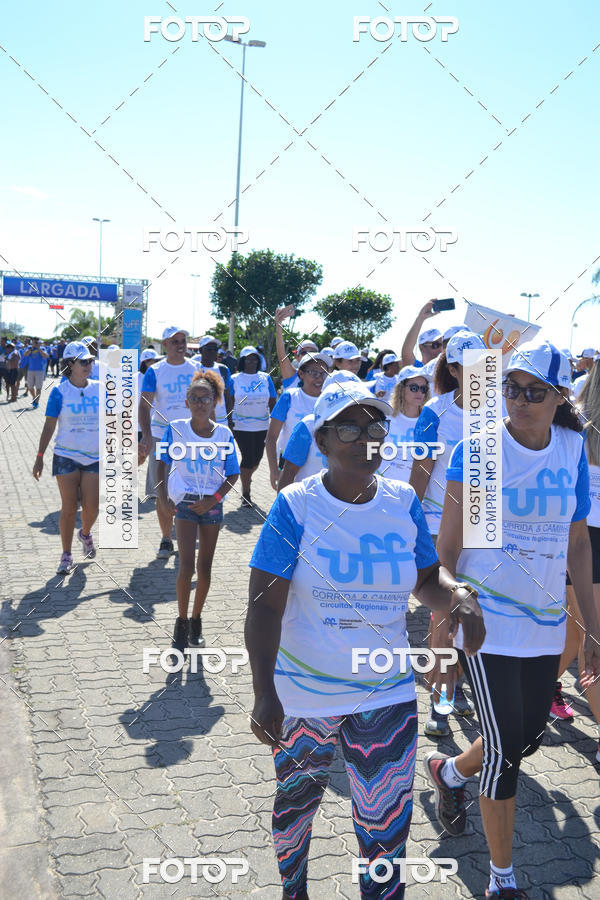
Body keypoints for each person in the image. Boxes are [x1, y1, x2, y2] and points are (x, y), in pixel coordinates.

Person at [245, 380, 485, 900]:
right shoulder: (295, 506)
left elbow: (425, 580)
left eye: (375, 426)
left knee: (386, 825)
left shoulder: (401, 502)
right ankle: (294, 891)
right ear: (324, 440)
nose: (365, 438)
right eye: (349, 428)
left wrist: (459, 595)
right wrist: (265, 691)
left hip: (387, 693)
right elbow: (264, 605)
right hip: (306, 694)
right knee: (296, 806)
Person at [426, 340, 600, 899]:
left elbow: (577, 541)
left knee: (523, 737)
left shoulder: (571, 448)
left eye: (535, 392)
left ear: (558, 398)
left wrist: (591, 625)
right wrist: (441, 631)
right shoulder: (480, 449)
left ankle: (449, 773)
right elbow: (448, 550)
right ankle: (503, 878)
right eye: (512, 388)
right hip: (486, 618)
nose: (519, 401)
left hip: (546, 620)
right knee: (505, 752)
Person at [410, 329, 486, 735]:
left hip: (486, 527)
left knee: (470, 610)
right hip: (442, 528)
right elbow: (420, 474)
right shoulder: (434, 413)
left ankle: (452, 682)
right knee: (444, 612)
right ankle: (441, 703)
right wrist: (409, 521)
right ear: (452, 369)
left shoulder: (500, 412)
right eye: (465, 366)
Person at [156, 370, 240, 651]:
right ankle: (180, 622)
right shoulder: (176, 428)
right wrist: (163, 496)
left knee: (205, 567)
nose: (200, 403)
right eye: (194, 398)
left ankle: (196, 620)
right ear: (187, 401)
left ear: (216, 401)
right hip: (185, 503)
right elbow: (161, 461)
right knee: (186, 566)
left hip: (212, 505)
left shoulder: (224, 434)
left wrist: (215, 498)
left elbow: (233, 474)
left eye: (206, 398)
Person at [550, 357, 600, 754]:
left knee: (576, 632)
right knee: (588, 634)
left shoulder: (574, 419)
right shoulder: (575, 423)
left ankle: (538, 692)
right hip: (584, 537)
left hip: (580, 534)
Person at [32, 341, 100, 574]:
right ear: (70, 364)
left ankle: (85, 534)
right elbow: (49, 425)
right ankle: (66, 554)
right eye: (83, 361)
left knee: (92, 508)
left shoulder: (100, 388)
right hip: (65, 455)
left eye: (91, 360)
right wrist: (40, 456)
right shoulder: (59, 392)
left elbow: (113, 422)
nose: (89, 365)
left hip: (94, 456)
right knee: (69, 507)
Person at [139, 327, 200, 559]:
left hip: (192, 437)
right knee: (162, 491)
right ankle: (166, 538)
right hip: (162, 435)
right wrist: (145, 434)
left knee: (192, 488)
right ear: (165, 344)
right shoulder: (155, 371)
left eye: (183, 340)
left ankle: (187, 534)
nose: (180, 345)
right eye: (175, 341)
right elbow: (144, 406)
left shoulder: (196, 369)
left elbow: (208, 401)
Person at [265, 353, 331, 490]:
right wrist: (274, 471)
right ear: (301, 373)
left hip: (321, 465)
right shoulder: (289, 397)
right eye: (313, 372)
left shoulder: (330, 400)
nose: (319, 377)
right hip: (288, 464)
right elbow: (271, 438)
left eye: (323, 373)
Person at [231, 346, 277, 506]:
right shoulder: (235, 378)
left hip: (262, 425)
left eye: (255, 359)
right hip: (241, 425)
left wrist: (276, 421)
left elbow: (272, 400)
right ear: (242, 361)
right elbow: (229, 400)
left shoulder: (265, 378)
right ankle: (246, 494)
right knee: (248, 457)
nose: (252, 362)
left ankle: (246, 477)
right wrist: (229, 422)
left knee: (257, 459)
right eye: (248, 359)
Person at [378, 366, 429, 483]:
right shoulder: (384, 416)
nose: (420, 393)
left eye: (424, 389)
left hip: (415, 490)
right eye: (414, 388)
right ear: (401, 389)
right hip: (385, 485)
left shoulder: (430, 422)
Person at [191, 335, 234, 425]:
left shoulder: (223, 370)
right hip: (200, 422)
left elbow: (227, 397)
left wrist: (230, 421)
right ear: (201, 350)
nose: (213, 352)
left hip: (221, 421)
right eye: (209, 349)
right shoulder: (193, 369)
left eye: (215, 349)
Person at [401, 300, 443, 368]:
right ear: (422, 347)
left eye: (443, 344)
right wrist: (421, 318)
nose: (441, 349)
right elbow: (406, 354)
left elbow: (466, 375)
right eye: (435, 345)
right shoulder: (418, 368)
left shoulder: (449, 369)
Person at [24, 337, 49, 407]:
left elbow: (46, 356)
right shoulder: (29, 348)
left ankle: (36, 402)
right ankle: (35, 397)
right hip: (30, 370)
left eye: (36, 342)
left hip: (39, 370)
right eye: (34, 342)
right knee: (30, 387)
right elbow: (25, 354)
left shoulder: (42, 348)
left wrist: (39, 348)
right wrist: (31, 348)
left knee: (38, 387)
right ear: (32, 342)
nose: (35, 343)